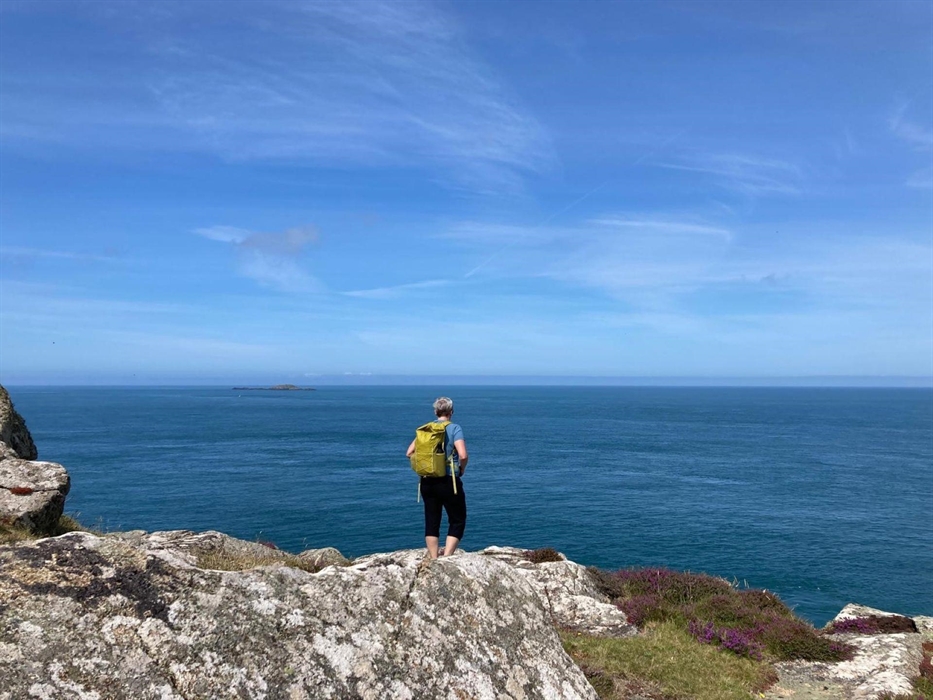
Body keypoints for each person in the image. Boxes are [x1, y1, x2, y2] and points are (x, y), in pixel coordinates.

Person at [406, 396, 468, 559]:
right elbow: (462, 454)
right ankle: (447, 558)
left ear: (435, 411)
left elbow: (409, 453)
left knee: (432, 521)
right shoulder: (454, 428)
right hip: (448, 481)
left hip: (427, 481)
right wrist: (461, 469)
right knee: (457, 519)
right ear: (451, 412)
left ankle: (433, 558)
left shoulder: (426, 429)